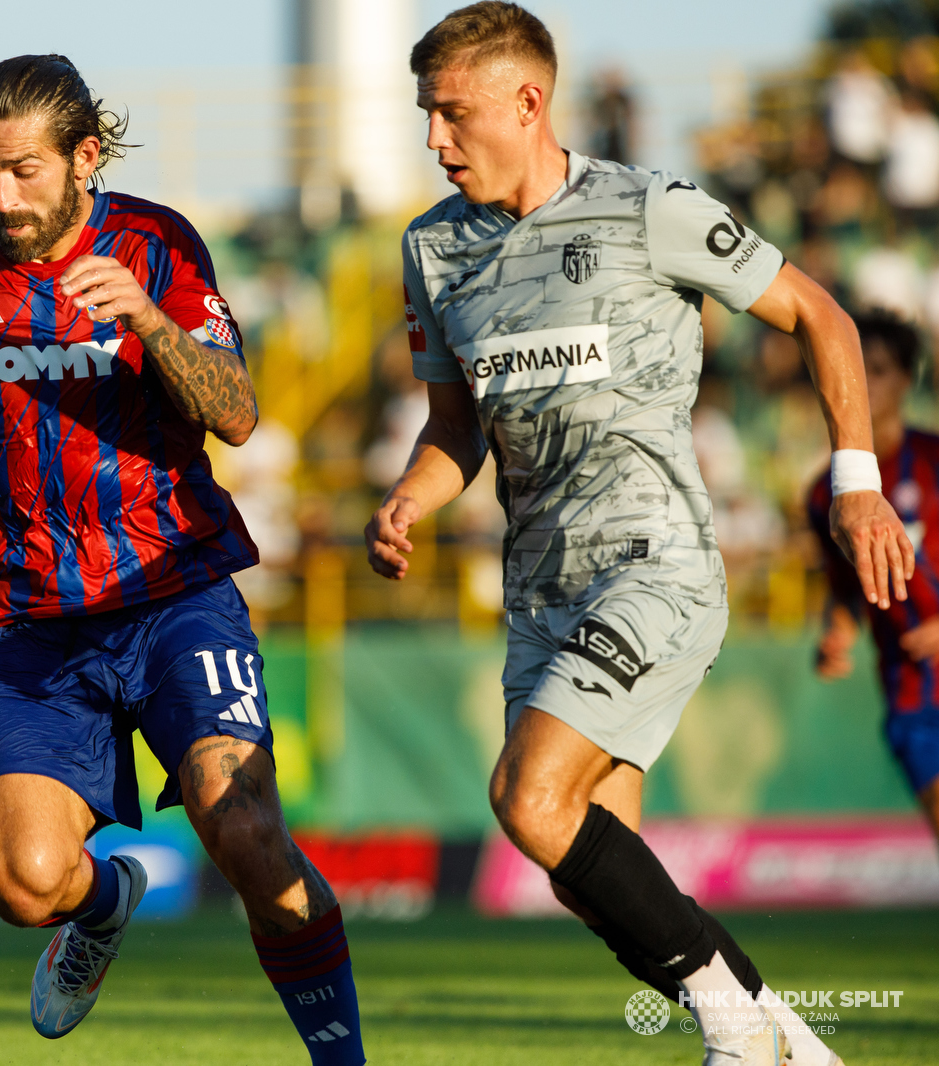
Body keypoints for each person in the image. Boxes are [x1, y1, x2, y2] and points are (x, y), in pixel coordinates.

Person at [363, 4, 910, 1064]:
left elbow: (820, 315)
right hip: (540, 591)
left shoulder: (645, 208)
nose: (433, 137)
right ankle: (796, 1046)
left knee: (526, 796)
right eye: (424, 113)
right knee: (593, 866)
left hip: (651, 566)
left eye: (450, 112)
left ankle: (738, 1034)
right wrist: (409, 500)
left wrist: (855, 483)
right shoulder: (431, 250)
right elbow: (451, 428)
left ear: (528, 103)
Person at [0, 55, 364, 1063]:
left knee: (245, 833)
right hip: (29, 622)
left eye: (24, 172)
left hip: (171, 593)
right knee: (22, 885)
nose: (2, 198)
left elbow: (235, 412)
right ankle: (103, 904)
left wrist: (145, 318)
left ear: (84, 157)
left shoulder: (157, 245)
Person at [811, 313, 939, 840]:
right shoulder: (825, 495)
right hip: (911, 695)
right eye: (855, 368)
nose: (864, 381)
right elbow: (846, 592)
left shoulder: (934, 461)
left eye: (879, 369)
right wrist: (837, 631)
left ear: (908, 378)